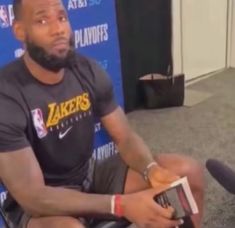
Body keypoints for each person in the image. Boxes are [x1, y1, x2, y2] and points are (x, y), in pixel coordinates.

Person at [0, 0, 204, 227]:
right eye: (42, 20)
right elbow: (34, 197)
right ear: (20, 31)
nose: (58, 29)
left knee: (188, 174)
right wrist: (120, 204)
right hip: (41, 204)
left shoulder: (86, 69)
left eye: (62, 17)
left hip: (88, 176)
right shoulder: (6, 95)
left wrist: (150, 170)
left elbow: (124, 138)